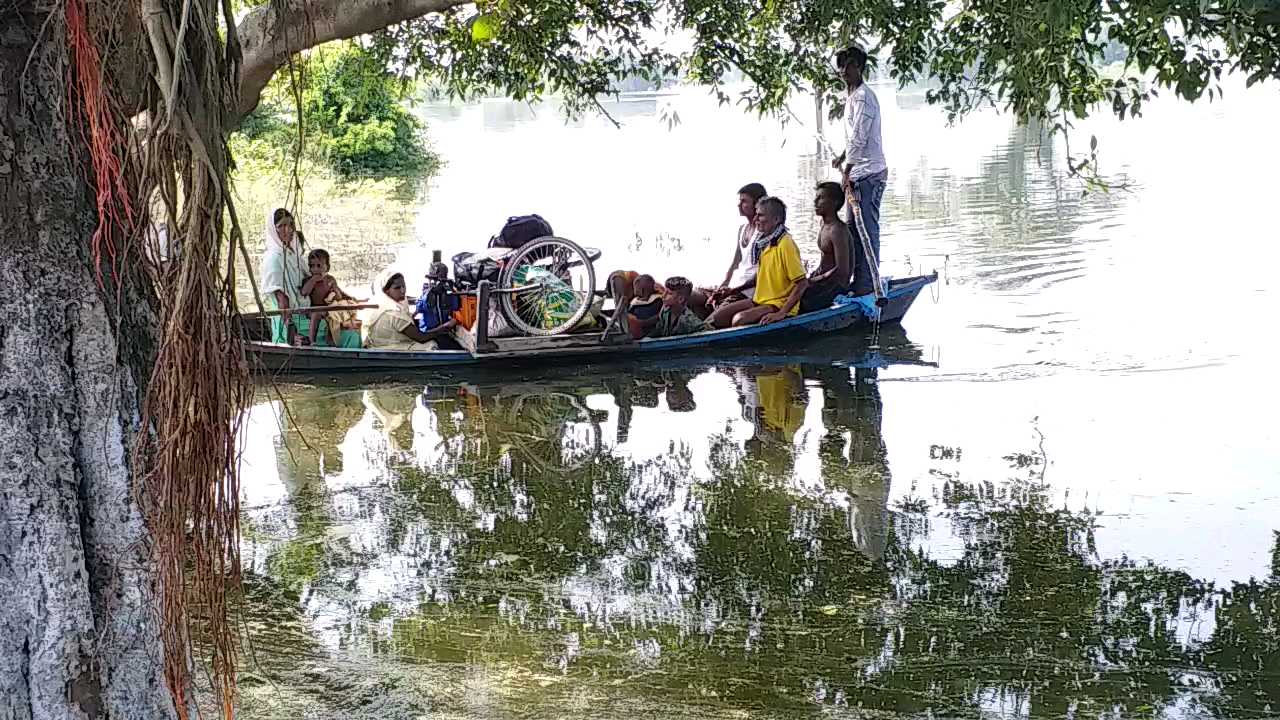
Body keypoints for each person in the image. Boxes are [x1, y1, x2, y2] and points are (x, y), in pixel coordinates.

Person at [831, 45, 888, 296]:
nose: (844, 71)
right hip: (857, 173)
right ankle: (860, 280)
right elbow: (853, 137)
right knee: (854, 231)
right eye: (841, 66)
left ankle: (868, 284)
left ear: (859, 67)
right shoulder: (852, 96)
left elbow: (861, 137)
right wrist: (844, 158)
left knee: (867, 229)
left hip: (869, 174)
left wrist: (847, 170)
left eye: (849, 66)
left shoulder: (864, 97)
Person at [707, 196, 808, 328]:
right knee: (717, 318)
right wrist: (732, 291)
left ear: (776, 219)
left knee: (739, 320)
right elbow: (758, 279)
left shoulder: (785, 243)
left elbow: (802, 283)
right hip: (760, 299)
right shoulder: (764, 242)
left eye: (760, 216)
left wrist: (782, 313)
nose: (755, 220)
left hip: (778, 303)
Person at [691, 182, 768, 318]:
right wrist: (723, 285)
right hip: (733, 288)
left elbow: (761, 275)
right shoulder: (742, 229)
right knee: (691, 296)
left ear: (757, 204)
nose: (739, 205)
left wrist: (731, 291)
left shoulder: (764, 233)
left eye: (744, 201)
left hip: (748, 292)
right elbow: (735, 263)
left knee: (713, 319)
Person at [363, 269, 457, 351]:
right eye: (397, 288)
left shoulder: (382, 302)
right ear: (386, 291)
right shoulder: (393, 312)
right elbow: (421, 337)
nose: (403, 291)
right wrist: (445, 327)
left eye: (404, 286)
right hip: (387, 347)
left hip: (378, 342)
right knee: (431, 344)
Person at [799, 182, 853, 313]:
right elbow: (825, 261)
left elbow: (842, 271)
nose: (815, 202)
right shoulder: (823, 223)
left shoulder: (837, 230)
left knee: (798, 303)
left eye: (821, 198)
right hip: (822, 282)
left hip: (835, 287)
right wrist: (811, 276)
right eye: (816, 198)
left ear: (834, 202)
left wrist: (813, 281)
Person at [301, 248, 359, 346]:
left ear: (327, 267)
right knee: (316, 315)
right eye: (312, 266)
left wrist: (350, 298)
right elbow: (304, 292)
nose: (315, 269)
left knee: (334, 318)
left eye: (319, 266)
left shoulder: (330, 279)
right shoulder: (308, 280)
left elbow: (340, 292)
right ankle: (312, 341)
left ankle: (332, 340)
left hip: (330, 308)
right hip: (315, 309)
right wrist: (313, 280)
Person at [414, 261, 463, 349]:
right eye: (433, 281)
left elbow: (455, 306)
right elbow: (418, 309)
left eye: (440, 281)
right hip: (428, 332)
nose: (437, 284)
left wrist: (452, 291)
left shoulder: (448, 293)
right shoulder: (426, 295)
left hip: (444, 332)